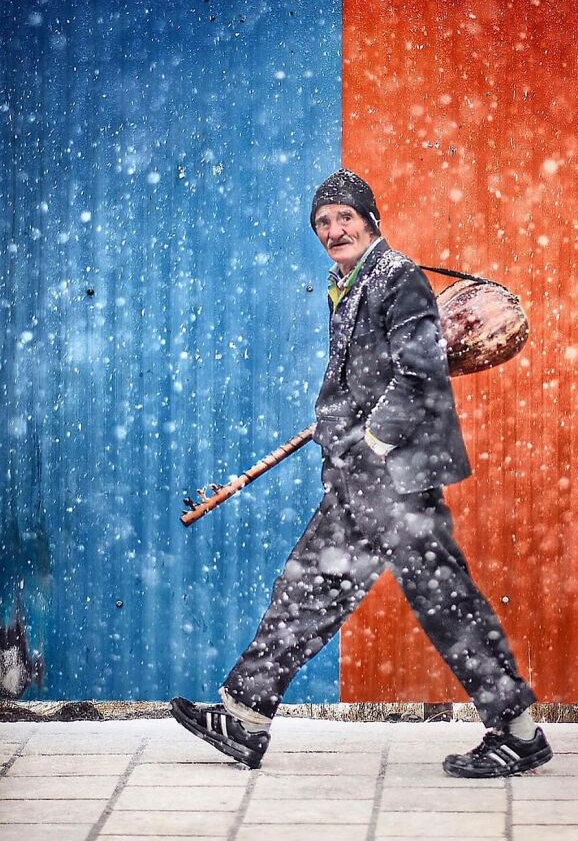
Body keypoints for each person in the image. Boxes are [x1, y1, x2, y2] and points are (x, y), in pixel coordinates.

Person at [171, 169, 553, 778]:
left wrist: (370, 443)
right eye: (322, 222)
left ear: (370, 220)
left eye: (344, 216)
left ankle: (517, 732)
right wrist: (342, 426)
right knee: (312, 588)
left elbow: (419, 373)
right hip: (365, 476)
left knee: (435, 598)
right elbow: (369, 376)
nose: (333, 230)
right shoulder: (348, 282)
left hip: (393, 477)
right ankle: (245, 716)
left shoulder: (398, 277)